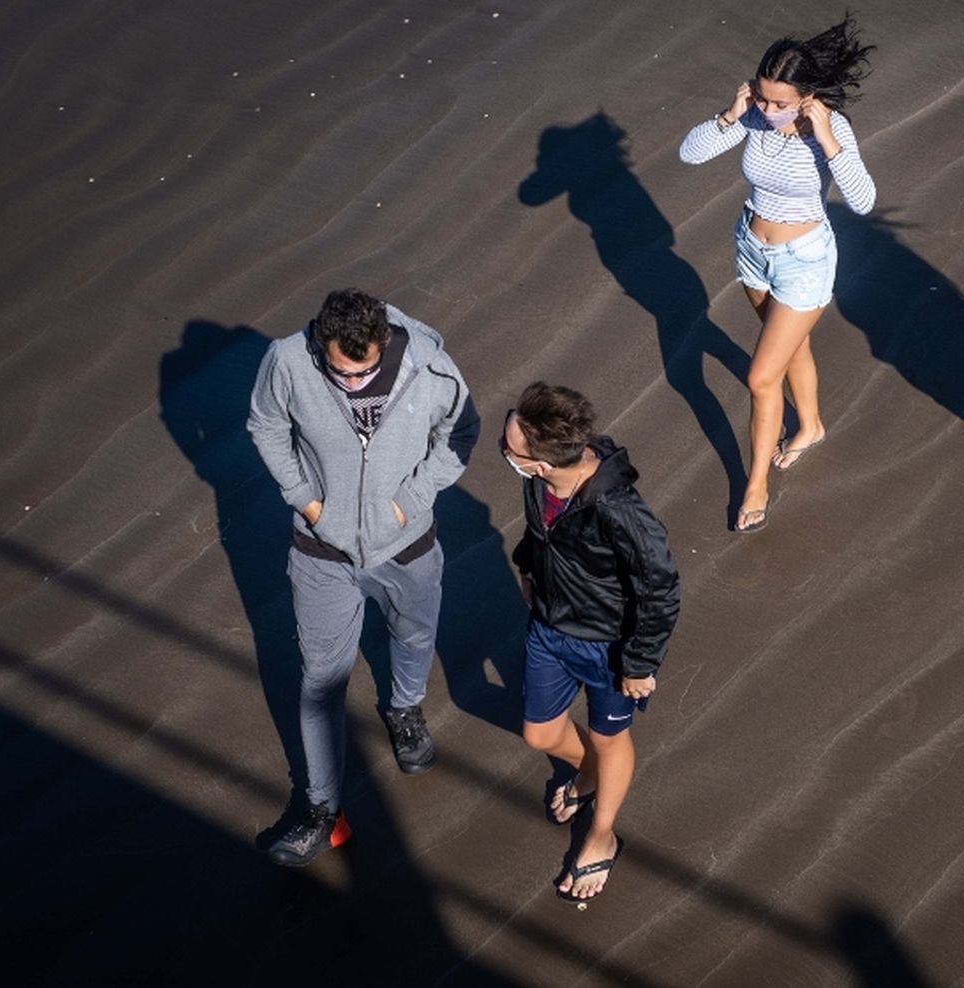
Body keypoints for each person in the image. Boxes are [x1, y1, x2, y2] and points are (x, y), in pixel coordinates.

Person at [247, 288, 480, 864]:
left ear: (384, 341)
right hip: (320, 551)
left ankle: (404, 709)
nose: (352, 383)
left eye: (365, 371)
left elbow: (462, 432)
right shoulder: (288, 361)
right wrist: (306, 501)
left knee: (413, 636)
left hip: (408, 544)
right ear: (320, 343)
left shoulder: (429, 366)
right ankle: (324, 810)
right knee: (321, 679)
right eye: (340, 373)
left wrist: (412, 499)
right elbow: (266, 426)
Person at [679, 15, 877, 532]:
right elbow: (689, 153)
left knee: (761, 375)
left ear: (808, 98)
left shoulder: (828, 130)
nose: (768, 112)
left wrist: (829, 136)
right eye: (762, 98)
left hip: (803, 261)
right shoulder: (752, 117)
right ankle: (810, 425)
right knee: (792, 348)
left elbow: (863, 200)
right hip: (751, 249)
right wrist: (732, 113)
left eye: (780, 103)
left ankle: (755, 486)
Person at [502, 383, 680, 903]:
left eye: (508, 447)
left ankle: (602, 834)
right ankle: (589, 772)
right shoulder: (539, 484)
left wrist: (640, 663)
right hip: (548, 630)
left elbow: (662, 589)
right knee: (539, 735)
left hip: (609, 650)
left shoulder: (621, 512)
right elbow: (541, 535)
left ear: (537, 462)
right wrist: (526, 566)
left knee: (608, 741)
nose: (503, 450)